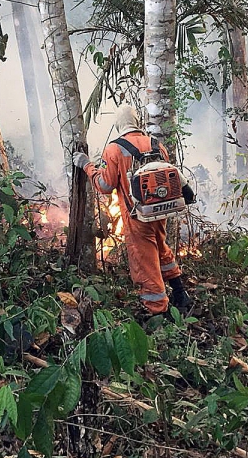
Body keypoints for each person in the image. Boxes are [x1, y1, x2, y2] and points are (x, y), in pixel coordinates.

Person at [73, 104, 193, 316]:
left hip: (137, 216)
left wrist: (87, 166)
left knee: (144, 262)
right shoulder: (157, 144)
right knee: (161, 248)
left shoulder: (114, 149)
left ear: (118, 124)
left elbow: (105, 186)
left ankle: (158, 312)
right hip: (161, 210)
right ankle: (180, 292)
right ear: (136, 121)